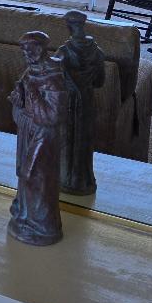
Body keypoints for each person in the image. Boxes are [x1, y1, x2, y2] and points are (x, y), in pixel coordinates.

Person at [8, 31, 67, 246]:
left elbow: (53, 116)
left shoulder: (53, 77)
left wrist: (30, 94)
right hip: (29, 131)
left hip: (44, 136)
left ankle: (42, 224)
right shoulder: (30, 72)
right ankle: (25, 215)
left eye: (28, 49)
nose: (24, 53)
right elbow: (22, 103)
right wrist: (18, 99)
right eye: (22, 49)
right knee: (26, 174)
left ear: (40, 50)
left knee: (36, 177)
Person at [56, 10, 105, 195]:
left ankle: (67, 178)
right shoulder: (98, 52)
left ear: (68, 27)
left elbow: (55, 79)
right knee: (85, 139)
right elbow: (100, 81)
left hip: (69, 103)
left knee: (67, 138)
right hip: (87, 102)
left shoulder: (63, 53)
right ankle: (83, 179)